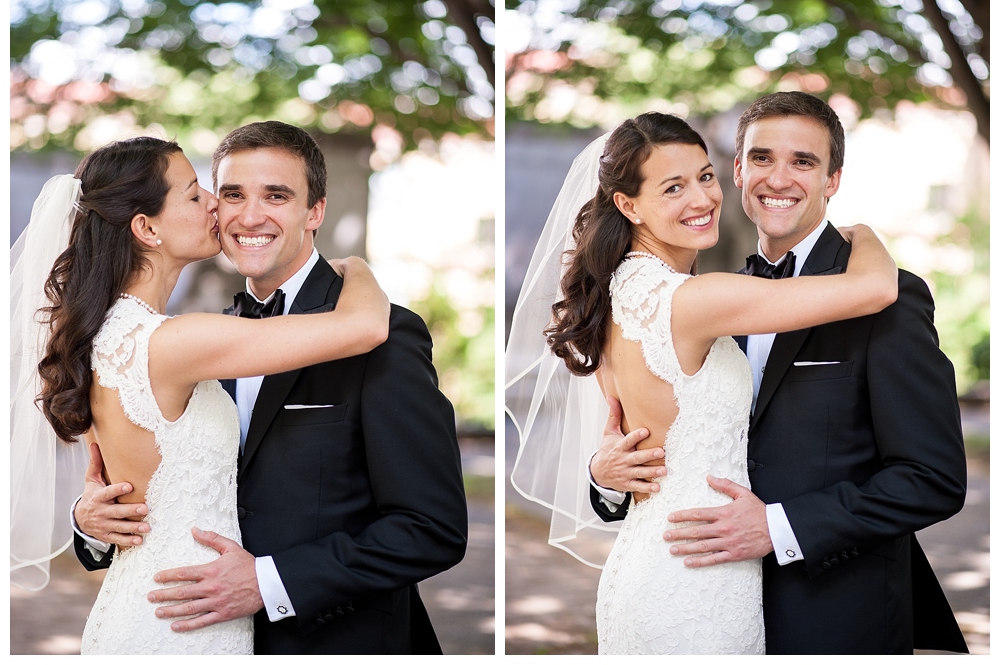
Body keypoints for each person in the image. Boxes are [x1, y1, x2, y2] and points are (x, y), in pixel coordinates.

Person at [506, 111, 899, 654]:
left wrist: (603, 470)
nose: (702, 199)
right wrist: (864, 234)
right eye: (673, 187)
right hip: (697, 577)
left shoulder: (612, 300)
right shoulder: (693, 301)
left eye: (704, 176)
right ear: (628, 204)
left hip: (653, 561)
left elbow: (626, 436)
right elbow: (877, 288)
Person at [588, 93, 968, 654]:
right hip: (699, 600)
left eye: (804, 162)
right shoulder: (712, 299)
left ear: (832, 178)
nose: (779, 179)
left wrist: (781, 528)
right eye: (762, 158)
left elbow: (932, 478)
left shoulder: (890, 298)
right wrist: (603, 475)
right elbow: (657, 437)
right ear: (738, 170)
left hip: (834, 619)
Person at [72, 121, 468, 654]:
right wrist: (92, 523)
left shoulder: (387, 336)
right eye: (230, 194)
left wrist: (270, 583)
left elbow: (431, 527)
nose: (249, 215)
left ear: (315, 212)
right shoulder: (201, 340)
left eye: (276, 196)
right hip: (191, 634)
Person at [11, 136, 391, 654]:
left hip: (155, 603)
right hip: (182, 618)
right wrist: (357, 268)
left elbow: (125, 481)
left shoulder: (111, 334)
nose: (215, 204)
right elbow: (366, 326)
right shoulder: (176, 341)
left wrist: (88, 515)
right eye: (194, 195)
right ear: (146, 229)